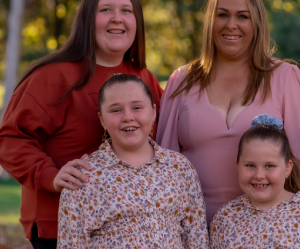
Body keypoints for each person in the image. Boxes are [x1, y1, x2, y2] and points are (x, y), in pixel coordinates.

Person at [0, 0, 163, 248]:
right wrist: (49, 175)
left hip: (129, 229)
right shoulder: (52, 77)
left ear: (137, 21)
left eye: (126, 11)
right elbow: (10, 141)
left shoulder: (145, 80)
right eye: (105, 10)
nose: (117, 18)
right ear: (87, 19)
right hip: (61, 226)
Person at [157, 0, 300, 226]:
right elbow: (163, 167)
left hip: (265, 231)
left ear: (257, 22)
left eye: (242, 16)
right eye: (223, 15)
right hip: (189, 230)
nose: (231, 25)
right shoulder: (181, 81)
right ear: (210, 20)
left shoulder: (285, 78)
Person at [57, 74, 208, 248]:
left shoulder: (179, 167)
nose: (127, 117)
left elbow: (196, 237)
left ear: (153, 112)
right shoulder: (84, 176)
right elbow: (71, 243)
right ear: (102, 119)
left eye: (137, 107)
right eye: (115, 110)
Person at [209, 114, 300, 249]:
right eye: (250, 165)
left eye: (269, 166)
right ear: (237, 165)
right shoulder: (225, 217)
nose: (259, 175)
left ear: (287, 168)